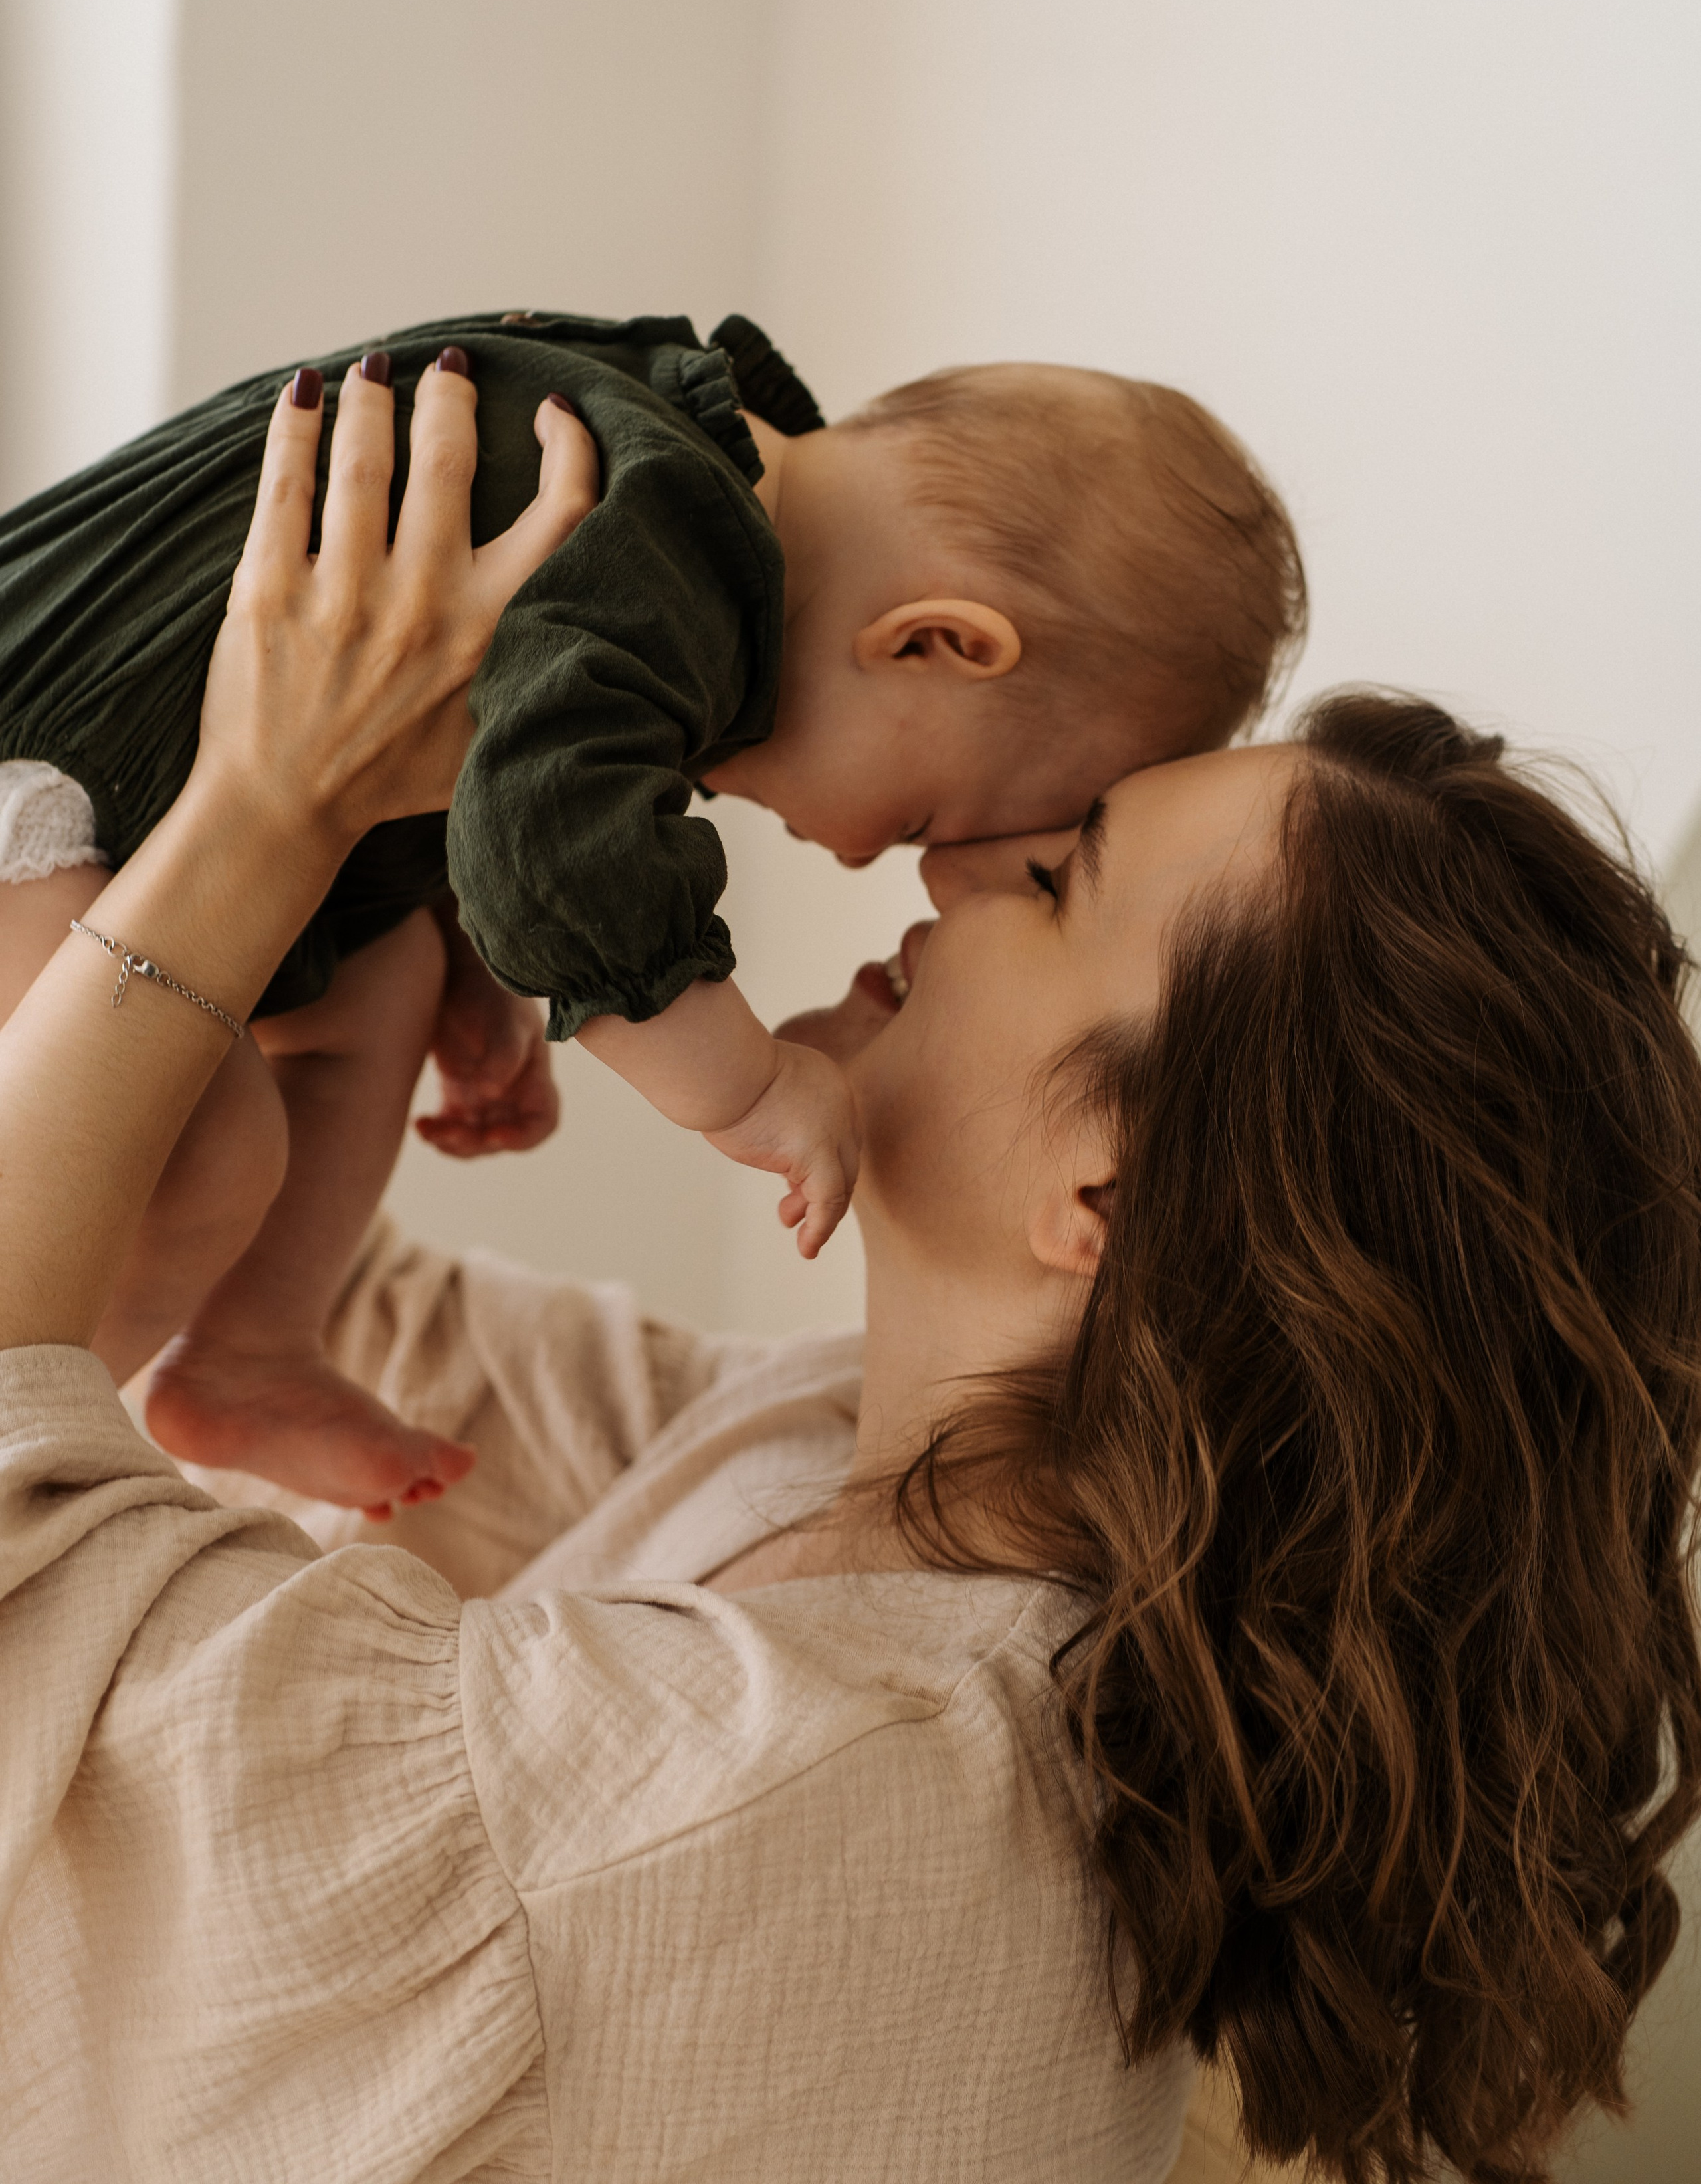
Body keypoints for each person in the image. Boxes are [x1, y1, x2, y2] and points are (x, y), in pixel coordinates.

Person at [1, 371, 1695, 2184]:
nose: (952, 870)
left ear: (1107, 1186)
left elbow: (36, 1542)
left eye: (1059, 876)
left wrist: (261, 814)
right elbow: (332, 1328)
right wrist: (398, 931)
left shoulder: (759, 1787)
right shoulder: (854, 1464)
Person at [0, 311, 1304, 1514]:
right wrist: (744, 1086)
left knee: (385, 986)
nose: (876, 862)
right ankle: (28, 1474)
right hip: (35, 790)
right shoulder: (670, 556)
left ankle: (250, 1348)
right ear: (935, 643)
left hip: (118, 797)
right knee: (212, 1148)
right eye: (919, 822)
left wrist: (461, 941)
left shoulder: (678, 456)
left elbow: (490, 764)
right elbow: (553, 853)